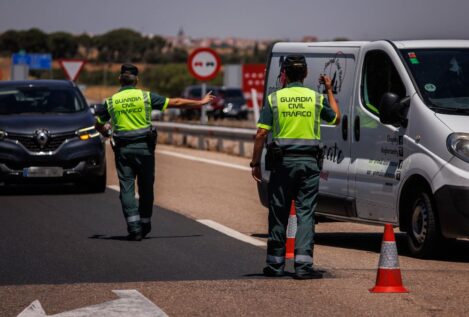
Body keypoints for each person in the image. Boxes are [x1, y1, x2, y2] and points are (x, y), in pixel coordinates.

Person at [95, 63, 214, 241]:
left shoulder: (110, 102)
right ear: (137, 80)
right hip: (145, 150)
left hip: (123, 151)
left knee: (126, 189)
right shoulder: (145, 97)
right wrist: (200, 102)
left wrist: (106, 131)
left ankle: (134, 228)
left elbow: (98, 124)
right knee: (146, 188)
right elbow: (176, 102)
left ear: (119, 79)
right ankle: (145, 223)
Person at [250, 55, 341, 279]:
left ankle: (275, 265)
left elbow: (261, 133)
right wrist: (329, 90)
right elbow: (336, 118)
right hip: (309, 164)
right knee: (306, 214)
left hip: (282, 164)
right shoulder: (316, 98)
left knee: (279, 214)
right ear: (306, 74)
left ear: (284, 74)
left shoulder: (275, 99)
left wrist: (255, 163)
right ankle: (303, 267)